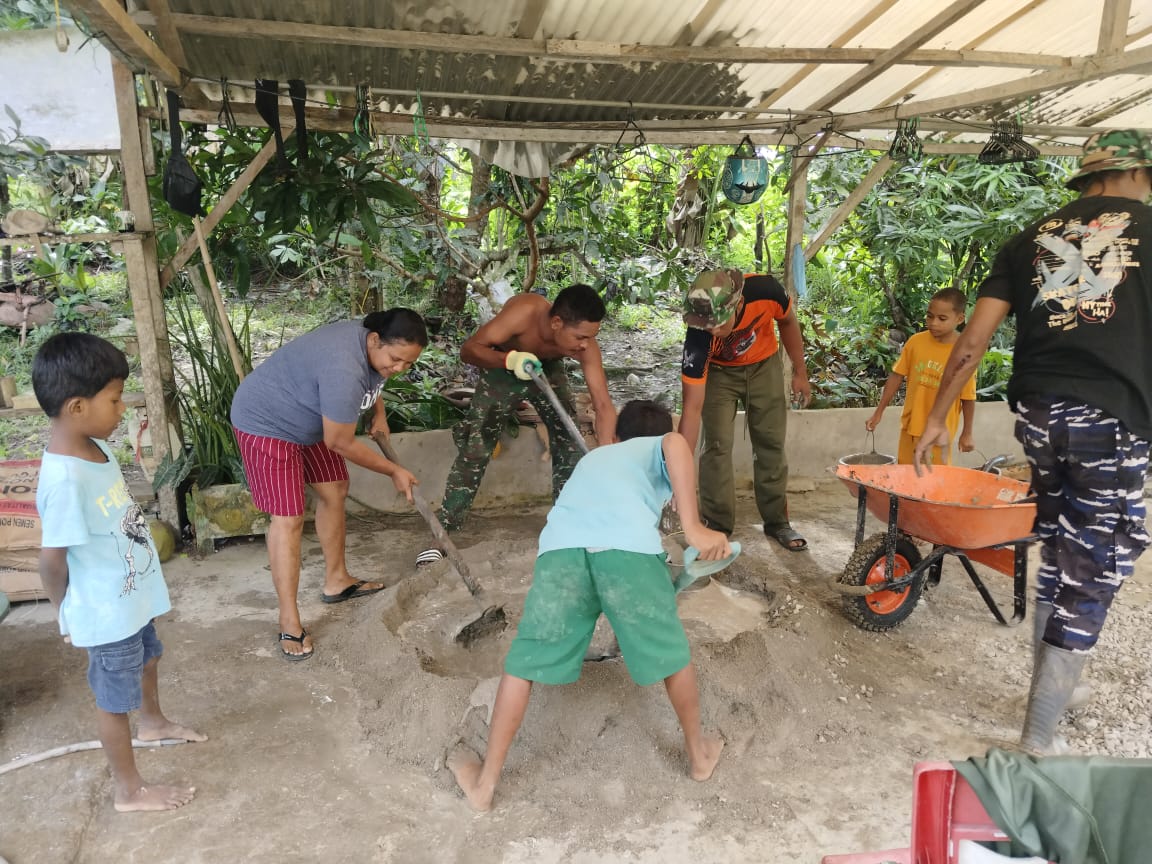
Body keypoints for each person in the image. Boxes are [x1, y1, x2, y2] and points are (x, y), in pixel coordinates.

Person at [914, 129, 1152, 755]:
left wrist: (939, 416)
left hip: (1041, 417)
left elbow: (971, 342)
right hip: (1113, 419)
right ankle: (1037, 736)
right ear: (1139, 174)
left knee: (1060, 541)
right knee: (1095, 560)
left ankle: (1057, 694)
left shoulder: (1028, 241)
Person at [447, 400, 730, 811]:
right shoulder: (665, 445)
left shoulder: (597, 457)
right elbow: (674, 444)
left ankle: (485, 784)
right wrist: (694, 527)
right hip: (627, 554)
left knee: (524, 661)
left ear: (615, 436)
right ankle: (699, 756)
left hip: (562, 553)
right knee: (671, 653)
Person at [33, 333, 206, 812]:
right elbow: (51, 561)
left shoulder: (95, 447)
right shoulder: (65, 479)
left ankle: (153, 722)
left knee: (149, 658)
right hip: (105, 612)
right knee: (113, 700)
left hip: (130, 596)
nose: (122, 409)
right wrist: (65, 613)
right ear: (76, 407)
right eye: (114, 399)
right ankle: (128, 790)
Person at [231, 309, 427, 660]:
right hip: (267, 423)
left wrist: (378, 412)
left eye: (407, 364)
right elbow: (339, 441)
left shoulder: (372, 348)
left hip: (310, 417)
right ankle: (288, 620)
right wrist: (393, 471)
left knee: (334, 487)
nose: (398, 369)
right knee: (289, 518)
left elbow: (373, 379)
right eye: (396, 359)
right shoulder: (343, 366)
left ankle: (337, 581)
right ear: (374, 340)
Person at [419, 283, 617, 561]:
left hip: (545, 369)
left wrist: (607, 453)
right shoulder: (523, 314)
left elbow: (603, 403)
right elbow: (469, 350)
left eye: (590, 337)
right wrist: (509, 359)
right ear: (557, 323)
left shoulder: (584, 345)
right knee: (477, 446)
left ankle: (569, 527)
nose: (585, 344)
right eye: (581, 337)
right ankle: (442, 535)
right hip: (503, 366)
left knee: (570, 441)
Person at [678, 269, 812, 551]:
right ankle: (717, 527)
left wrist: (800, 372)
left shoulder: (766, 291)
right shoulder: (698, 337)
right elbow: (691, 408)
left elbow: (787, 321)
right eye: (706, 325)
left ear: (737, 305)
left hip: (764, 365)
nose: (712, 330)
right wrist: (679, 464)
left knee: (770, 442)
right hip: (719, 374)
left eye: (717, 322)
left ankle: (778, 522)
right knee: (716, 445)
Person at [865, 287, 977, 465]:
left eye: (942, 318)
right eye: (929, 316)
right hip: (911, 427)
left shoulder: (964, 353)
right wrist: (879, 412)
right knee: (906, 479)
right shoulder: (916, 342)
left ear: (960, 318)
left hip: (939, 432)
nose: (933, 323)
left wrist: (967, 432)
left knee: (934, 483)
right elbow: (896, 376)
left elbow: (968, 397)